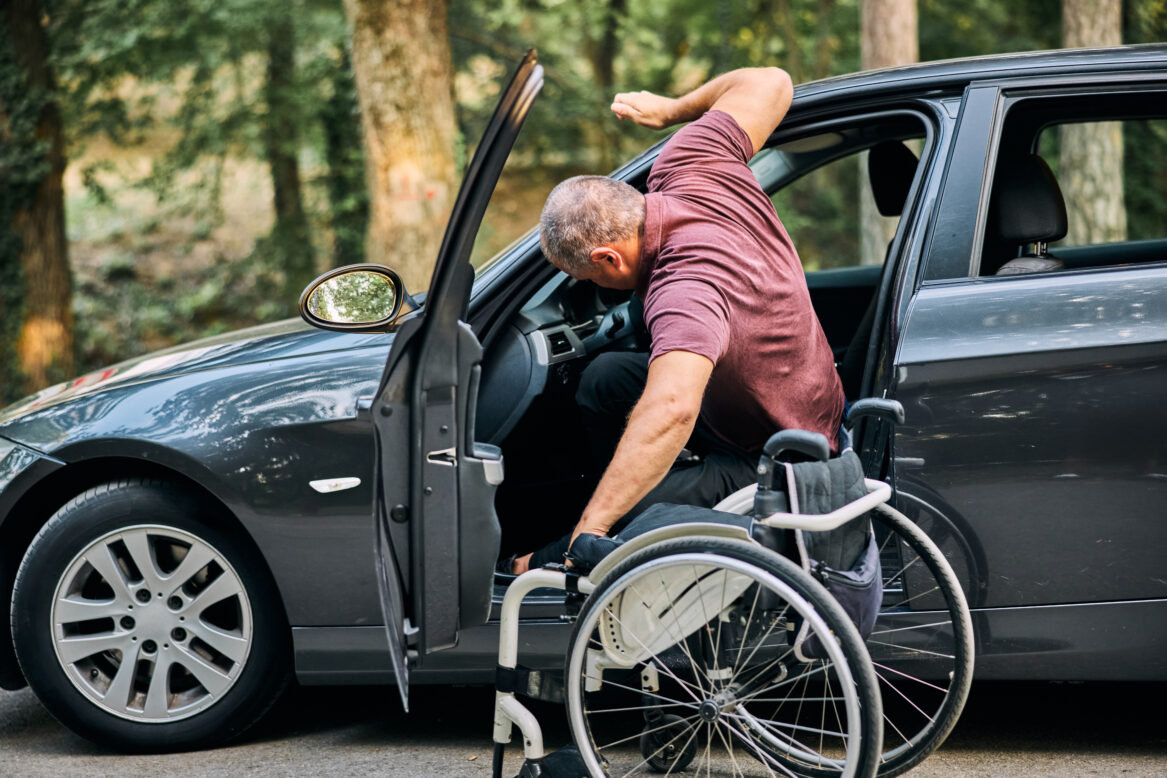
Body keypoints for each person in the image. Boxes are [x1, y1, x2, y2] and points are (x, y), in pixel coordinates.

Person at [509, 67, 844, 574]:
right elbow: (772, 82)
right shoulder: (691, 160)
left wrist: (595, 524)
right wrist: (671, 110)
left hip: (777, 452)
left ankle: (557, 555)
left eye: (589, 278)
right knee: (605, 379)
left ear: (607, 258)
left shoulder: (683, 292)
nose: (597, 286)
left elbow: (671, 409)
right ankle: (632, 484)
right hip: (773, 400)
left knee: (623, 515)